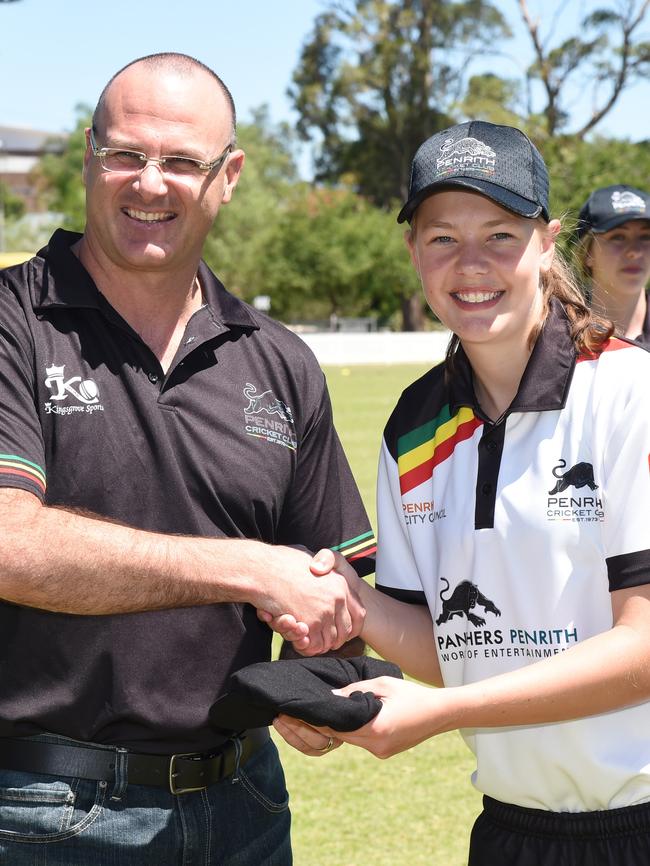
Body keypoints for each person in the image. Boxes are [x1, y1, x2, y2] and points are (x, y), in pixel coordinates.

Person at [0, 52, 376, 866]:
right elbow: (10, 546)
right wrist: (248, 569)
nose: (150, 183)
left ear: (228, 175)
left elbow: (333, 572)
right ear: (90, 157)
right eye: (127, 154)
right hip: (45, 811)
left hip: (245, 803)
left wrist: (322, 684)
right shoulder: (14, 323)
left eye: (181, 162)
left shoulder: (278, 359)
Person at [268, 121, 650, 866]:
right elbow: (455, 652)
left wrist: (444, 713)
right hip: (510, 831)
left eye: (501, 235)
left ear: (548, 242)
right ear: (413, 251)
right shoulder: (413, 427)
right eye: (442, 238)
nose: (470, 265)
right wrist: (339, 595)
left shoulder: (630, 392)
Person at [574, 184, 650, 347]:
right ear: (588, 253)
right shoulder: (558, 337)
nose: (635, 251)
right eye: (618, 237)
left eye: (645, 237)